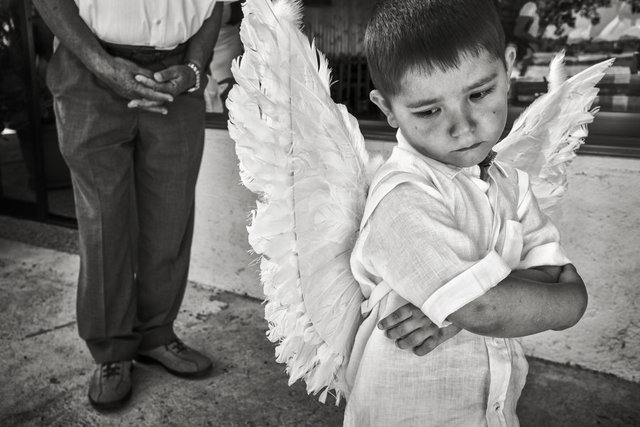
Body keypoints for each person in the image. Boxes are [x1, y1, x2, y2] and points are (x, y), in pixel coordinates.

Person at [343, 0, 588, 425]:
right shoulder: (402, 196)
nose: (463, 127)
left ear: (508, 68)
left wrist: (453, 313)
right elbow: (494, 308)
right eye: (429, 110)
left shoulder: (511, 184)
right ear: (386, 109)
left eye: (478, 94)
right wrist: (485, 304)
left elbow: (564, 290)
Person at [32, 0, 224, 411]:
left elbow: (215, 6)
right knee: (104, 222)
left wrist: (193, 69)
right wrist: (101, 66)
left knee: (170, 216)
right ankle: (112, 352)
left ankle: (156, 333)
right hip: (89, 67)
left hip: (177, 76)